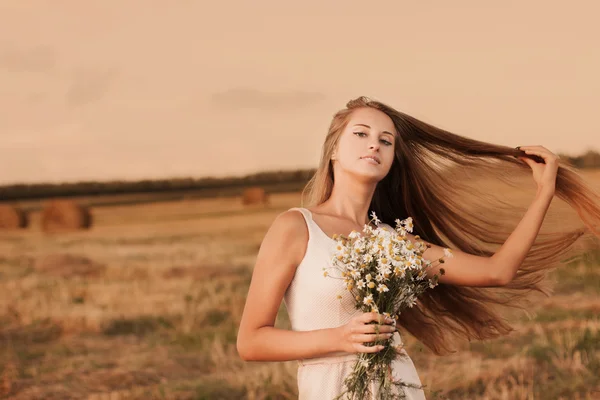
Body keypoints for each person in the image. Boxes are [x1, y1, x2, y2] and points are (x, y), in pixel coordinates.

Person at [236, 96, 600, 399]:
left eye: (386, 140)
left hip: (398, 386)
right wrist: (340, 337)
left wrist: (544, 193)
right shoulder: (296, 228)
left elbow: (496, 271)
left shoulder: (395, 242)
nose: (373, 144)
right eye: (361, 133)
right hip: (330, 389)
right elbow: (251, 342)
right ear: (333, 149)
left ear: (392, 159)